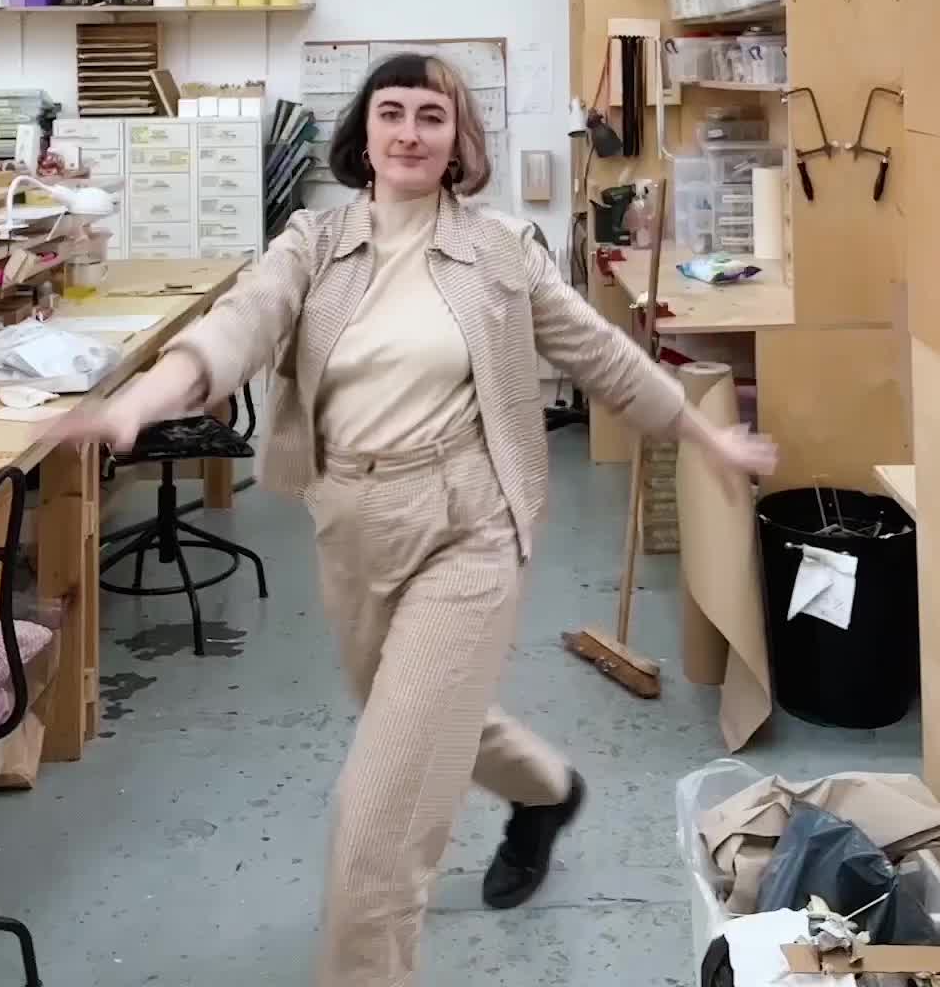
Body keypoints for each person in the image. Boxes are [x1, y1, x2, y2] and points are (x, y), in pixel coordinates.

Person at [57, 53, 777, 987]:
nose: (408, 132)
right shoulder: (313, 243)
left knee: (380, 814)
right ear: (362, 135)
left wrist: (704, 435)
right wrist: (138, 402)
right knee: (414, 712)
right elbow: (237, 326)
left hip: (470, 523)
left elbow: (601, 355)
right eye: (390, 112)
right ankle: (548, 791)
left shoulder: (500, 252)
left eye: (431, 116)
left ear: (458, 141)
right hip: (350, 519)